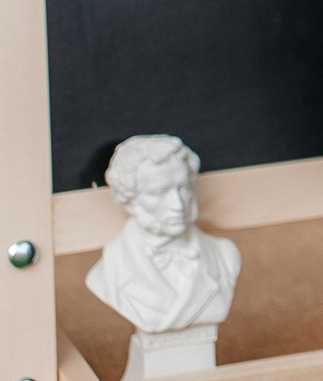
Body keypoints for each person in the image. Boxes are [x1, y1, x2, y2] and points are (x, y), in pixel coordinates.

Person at [84, 134, 241, 375]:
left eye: (183, 188)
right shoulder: (111, 268)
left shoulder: (225, 255)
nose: (178, 205)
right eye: (159, 193)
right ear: (129, 200)